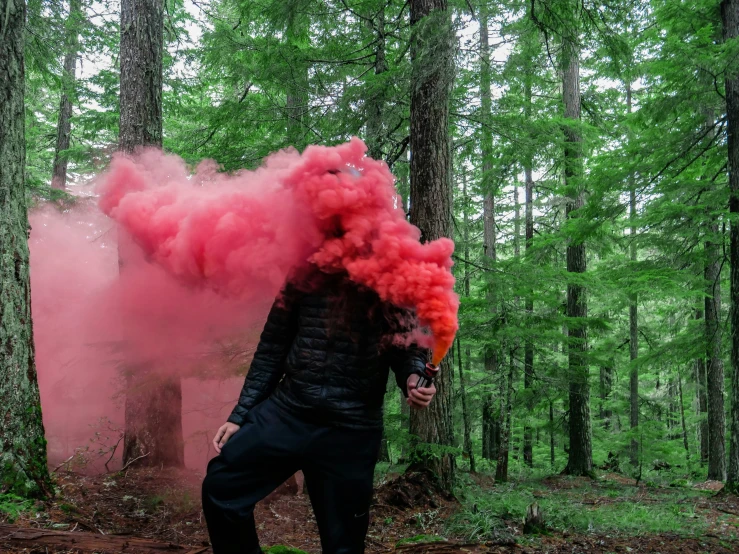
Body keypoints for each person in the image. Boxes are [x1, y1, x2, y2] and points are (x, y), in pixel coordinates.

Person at [201, 268, 437, 554]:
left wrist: (413, 377)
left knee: (344, 545)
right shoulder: (306, 265)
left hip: (352, 427)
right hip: (289, 411)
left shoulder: (395, 269)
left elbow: (408, 349)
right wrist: (241, 414)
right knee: (222, 486)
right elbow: (273, 347)